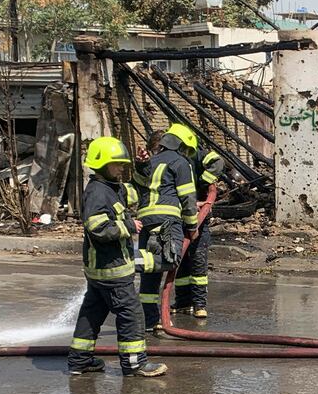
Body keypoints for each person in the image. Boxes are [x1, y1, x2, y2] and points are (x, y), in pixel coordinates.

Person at [68, 136, 165, 378]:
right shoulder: (98, 193)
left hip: (100, 269)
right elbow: (98, 228)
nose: (122, 168)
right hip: (112, 270)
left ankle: (80, 361)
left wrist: (143, 166)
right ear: (102, 164)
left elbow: (137, 191)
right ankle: (134, 363)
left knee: (92, 313)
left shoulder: (112, 188)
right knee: (131, 314)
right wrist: (129, 226)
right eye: (117, 164)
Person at [135, 124, 201, 331]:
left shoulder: (151, 161)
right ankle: (131, 261)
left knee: (150, 275)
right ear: (181, 146)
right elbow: (188, 198)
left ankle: (151, 320)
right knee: (170, 259)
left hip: (145, 220)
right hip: (168, 219)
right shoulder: (181, 163)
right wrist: (192, 225)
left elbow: (138, 186)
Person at [173, 149, 225, 319]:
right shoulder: (172, 161)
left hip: (198, 220)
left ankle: (199, 304)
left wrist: (203, 181)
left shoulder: (196, 154)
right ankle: (183, 302)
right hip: (179, 217)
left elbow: (218, 161)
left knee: (198, 260)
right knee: (180, 262)